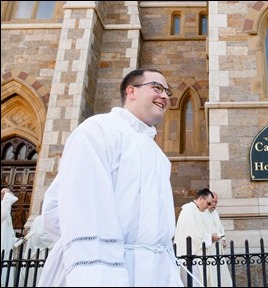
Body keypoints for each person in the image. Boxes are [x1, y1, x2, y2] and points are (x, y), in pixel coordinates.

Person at [37, 68, 183, 287]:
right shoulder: (98, 131)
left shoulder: (159, 156)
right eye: (157, 88)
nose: (164, 96)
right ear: (131, 91)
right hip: (103, 270)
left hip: (154, 273)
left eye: (167, 91)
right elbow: (77, 210)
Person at [174, 188, 220, 287]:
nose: (208, 207)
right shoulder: (189, 211)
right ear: (201, 199)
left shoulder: (196, 211)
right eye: (208, 203)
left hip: (197, 257)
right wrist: (210, 238)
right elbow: (192, 236)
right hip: (191, 258)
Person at [202, 191, 233, 287]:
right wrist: (211, 238)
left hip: (218, 250)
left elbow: (220, 228)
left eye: (216, 202)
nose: (214, 204)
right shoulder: (201, 213)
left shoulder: (215, 214)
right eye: (212, 202)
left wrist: (223, 239)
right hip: (208, 251)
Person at [17, 214, 54, 286]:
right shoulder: (39, 220)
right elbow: (41, 236)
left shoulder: (49, 220)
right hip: (38, 254)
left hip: (47, 253)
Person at [1, 188, 18, 287]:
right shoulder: (4, 211)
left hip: (5, 248)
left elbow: (9, 234)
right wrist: (7, 195)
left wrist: (17, 240)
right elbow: (2, 214)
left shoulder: (8, 215)